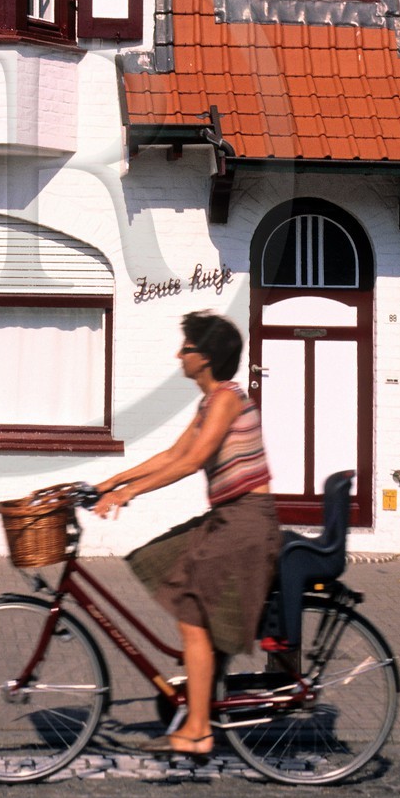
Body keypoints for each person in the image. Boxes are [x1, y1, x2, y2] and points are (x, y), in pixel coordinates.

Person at [93, 310, 281, 758]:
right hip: (229, 517)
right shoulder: (210, 400)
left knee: (193, 613)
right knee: (161, 557)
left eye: (187, 347)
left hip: (248, 521)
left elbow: (193, 460)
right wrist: (111, 483)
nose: (179, 354)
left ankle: (198, 730)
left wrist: (129, 494)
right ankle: (203, 678)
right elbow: (173, 452)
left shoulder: (228, 399)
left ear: (206, 357)